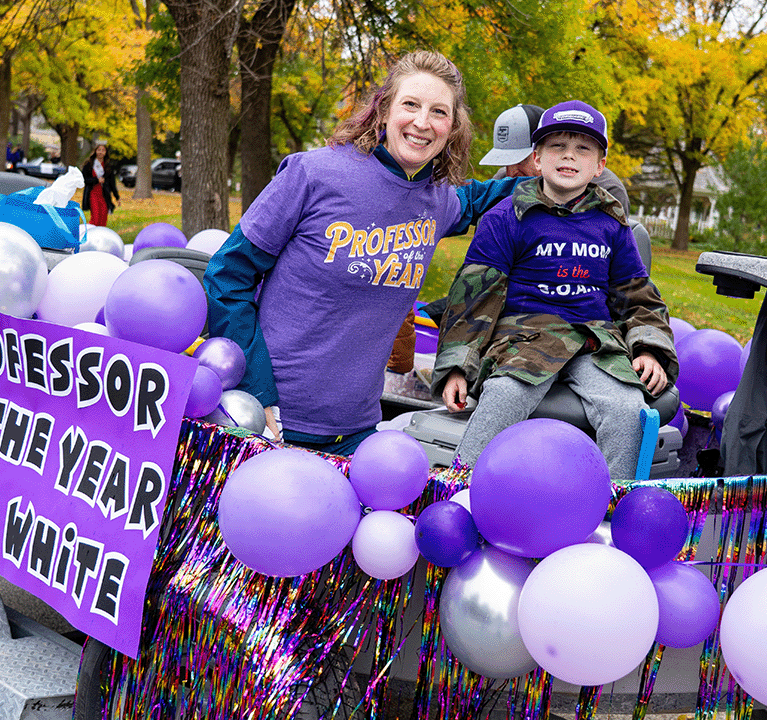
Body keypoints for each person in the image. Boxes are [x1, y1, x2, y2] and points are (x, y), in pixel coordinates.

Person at [203, 50, 522, 456]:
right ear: (384, 109)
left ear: (452, 128)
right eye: (411, 104)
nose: (423, 122)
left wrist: (559, 169)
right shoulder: (313, 173)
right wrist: (257, 389)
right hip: (271, 422)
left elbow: (481, 198)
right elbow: (227, 275)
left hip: (357, 434)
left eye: (439, 112)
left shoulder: (438, 202)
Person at [433, 100, 678, 480]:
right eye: (557, 146)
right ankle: (462, 490)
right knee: (504, 395)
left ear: (599, 165)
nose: (569, 156)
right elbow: (473, 297)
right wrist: (457, 367)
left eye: (583, 148)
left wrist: (649, 348)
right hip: (523, 339)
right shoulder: (506, 217)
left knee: (628, 409)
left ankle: (612, 513)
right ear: (537, 157)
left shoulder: (611, 225)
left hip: (594, 342)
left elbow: (637, 293)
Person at [480, 103, 631, 217]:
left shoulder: (609, 190)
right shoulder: (503, 180)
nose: (511, 172)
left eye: (520, 161)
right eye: (506, 162)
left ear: (538, 155)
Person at [82, 143, 120, 227]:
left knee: (103, 219)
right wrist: (96, 180)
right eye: (99, 150)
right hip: (92, 194)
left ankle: (101, 237)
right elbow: (84, 179)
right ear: (95, 151)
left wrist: (117, 197)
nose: (100, 152)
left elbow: (112, 184)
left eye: (103, 150)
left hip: (104, 195)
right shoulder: (89, 164)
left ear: (106, 152)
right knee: (95, 219)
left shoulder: (108, 166)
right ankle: (88, 234)